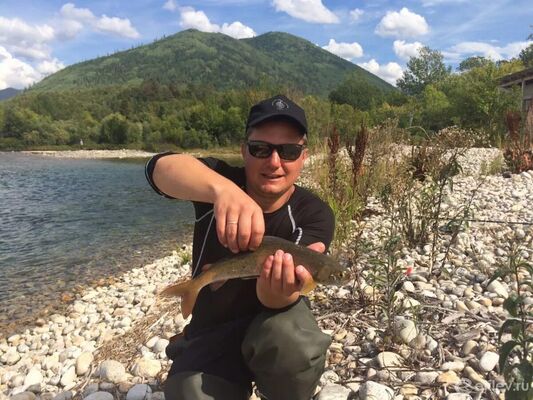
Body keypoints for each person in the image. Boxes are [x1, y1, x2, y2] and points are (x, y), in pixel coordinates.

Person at [145, 94, 335, 400]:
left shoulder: (314, 213)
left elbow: (284, 296)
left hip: (274, 324)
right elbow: (157, 168)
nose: (274, 162)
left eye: (288, 151)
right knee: (187, 392)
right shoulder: (218, 181)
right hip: (212, 330)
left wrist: (278, 292)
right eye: (261, 149)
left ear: (304, 156)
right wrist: (222, 190)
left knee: (293, 342)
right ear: (244, 151)